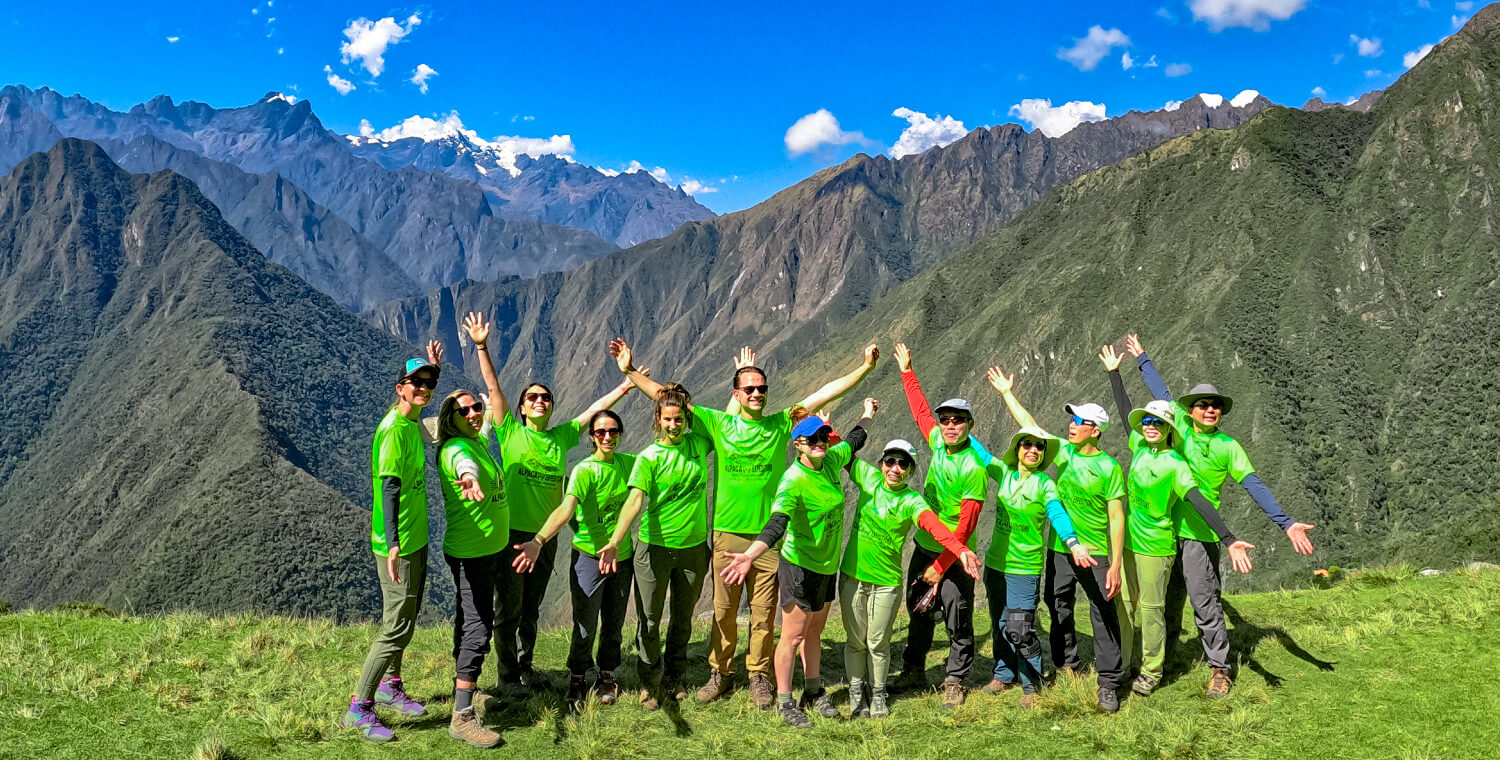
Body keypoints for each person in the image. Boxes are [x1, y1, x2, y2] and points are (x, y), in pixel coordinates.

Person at [608, 339, 879, 709]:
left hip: (767, 540)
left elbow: (822, 393)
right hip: (726, 537)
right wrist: (628, 371)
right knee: (724, 611)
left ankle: (759, 677)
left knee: (764, 614)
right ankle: (719, 673)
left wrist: (863, 368)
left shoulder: (780, 424)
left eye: (761, 388)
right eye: (749, 389)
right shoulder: (719, 425)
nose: (756, 394)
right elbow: (667, 398)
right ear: (737, 393)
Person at [1124, 335, 1316, 697]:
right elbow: (1161, 392)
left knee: (1205, 604)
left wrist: (1285, 522)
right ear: (1191, 410)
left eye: (1216, 406)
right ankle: (1160, 664)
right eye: (1203, 405)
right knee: (1166, 603)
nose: (1210, 410)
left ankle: (1219, 670)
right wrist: (1142, 359)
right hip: (1162, 534)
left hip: (1200, 536)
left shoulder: (1229, 447)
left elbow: (1254, 485)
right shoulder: (1176, 424)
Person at [1102, 345, 1256, 698]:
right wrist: (1115, 374)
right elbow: (1128, 412)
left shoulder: (1176, 464)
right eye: (1148, 422)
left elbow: (1198, 500)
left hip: (1157, 545)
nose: (1150, 426)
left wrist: (1228, 537)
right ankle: (1130, 662)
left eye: (1158, 422)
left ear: (1171, 428)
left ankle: (1154, 671)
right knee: (1131, 606)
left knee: (1157, 609)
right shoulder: (1140, 445)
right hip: (1129, 543)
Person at [493, 343, 640, 698]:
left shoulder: (559, 437)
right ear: (523, 406)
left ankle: (525, 667)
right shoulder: (511, 432)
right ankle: (507, 675)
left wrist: (627, 383)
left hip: (546, 537)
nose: (540, 400)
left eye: (546, 397)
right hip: (514, 535)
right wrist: (483, 345)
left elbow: (593, 412)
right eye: (533, 397)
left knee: (531, 606)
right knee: (509, 607)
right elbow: (494, 389)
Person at [721, 406, 876, 728]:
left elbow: (854, 439)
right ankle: (785, 701)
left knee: (814, 632)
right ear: (798, 444)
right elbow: (777, 523)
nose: (821, 443)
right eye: (813, 439)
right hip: (800, 567)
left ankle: (814, 690)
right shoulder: (793, 481)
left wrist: (866, 412)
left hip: (826, 564)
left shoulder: (832, 458)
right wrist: (750, 555)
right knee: (792, 637)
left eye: (824, 437)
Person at [986, 367, 1128, 712]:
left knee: (1102, 612)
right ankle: (1067, 664)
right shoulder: (1063, 452)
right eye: (1072, 419)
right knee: (1057, 605)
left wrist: (1117, 561)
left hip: (1095, 552)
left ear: (1096, 430)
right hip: (1059, 550)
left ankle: (1108, 681)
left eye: (1079, 421)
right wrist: (1007, 393)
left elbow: (1116, 516)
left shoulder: (1109, 468)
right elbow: (1031, 425)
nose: (1071, 425)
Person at [839, 437, 981, 719]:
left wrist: (959, 550)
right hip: (852, 576)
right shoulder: (866, 477)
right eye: (890, 461)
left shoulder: (912, 500)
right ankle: (857, 692)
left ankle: (878, 694)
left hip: (885, 582)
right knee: (855, 641)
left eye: (903, 463)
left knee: (878, 642)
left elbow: (935, 526)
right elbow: (837, 453)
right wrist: (827, 425)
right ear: (881, 464)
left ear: (911, 470)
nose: (895, 468)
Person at [342, 343, 442, 743]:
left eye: (429, 383)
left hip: (416, 539)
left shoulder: (411, 422)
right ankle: (359, 708)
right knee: (394, 628)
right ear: (399, 387)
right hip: (397, 544)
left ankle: (391, 686)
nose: (423, 388)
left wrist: (435, 365)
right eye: (416, 383)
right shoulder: (392, 432)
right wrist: (396, 544)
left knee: (407, 620)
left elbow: (425, 413)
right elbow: (389, 488)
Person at [513, 409, 638, 709]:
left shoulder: (630, 465)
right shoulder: (584, 471)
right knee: (584, 624)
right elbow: (566, 509)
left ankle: (607, 675)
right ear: (591, 437)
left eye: (613, 431)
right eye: (600, 432)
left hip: (622, 557)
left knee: (614, 622)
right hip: (588, 558)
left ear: (620, 433)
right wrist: (539, 540)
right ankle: (578, 677)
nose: (607, 437)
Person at [596, 379, 709, 710]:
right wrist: (616, 540)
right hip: (654, 548)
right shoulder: (649, 457)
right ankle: (649, 681)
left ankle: (675, 676)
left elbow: (726, 419)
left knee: (683, 617)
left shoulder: (700, 444)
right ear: (657, 420)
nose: (673, 425)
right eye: (667, 419)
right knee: (649, 618)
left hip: (693, 547)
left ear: (686, 418)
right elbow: (634, 501)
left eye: (678, 418)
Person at [890, 343, 988, 710]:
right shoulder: (937, 443)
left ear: (969, 426)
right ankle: (914, 669)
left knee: (957, 616)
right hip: (925, 545)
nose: (948, 425)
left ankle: (955, 679)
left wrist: (940, 566)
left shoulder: (973, 468)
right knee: (917, 609)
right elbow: (919, 412)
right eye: (945, 419)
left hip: (954, 557)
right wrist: (907, 371)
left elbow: (964, 530)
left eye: (957, 420)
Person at [431, 314, 510, 748]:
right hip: (472, 552)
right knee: (481, 625)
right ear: (453, 420)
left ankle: (468, 688)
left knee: (469, 619)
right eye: (465, 411)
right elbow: (462, 467)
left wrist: (481, 348)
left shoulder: (477, 438)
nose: (475, 414)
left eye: (475, 408)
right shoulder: (459, 451)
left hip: (485, 548)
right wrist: (471, 480)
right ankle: (461, 715)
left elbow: (496, 402)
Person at [978, 424, 1097, 709]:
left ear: (1043, 454)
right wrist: (959, 422)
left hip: (1025, 567)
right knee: (1001, 623)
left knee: (1019, 627)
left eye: (1039, 447)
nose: (1033, 450)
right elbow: (979, 452)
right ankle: (1003, 674)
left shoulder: (1045, 484)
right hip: (996, 563)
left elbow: (1056, 513)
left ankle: (1033, 684)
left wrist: (1073, 542)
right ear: (1017, 449)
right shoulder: (1003, 473)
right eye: (1027, 444)